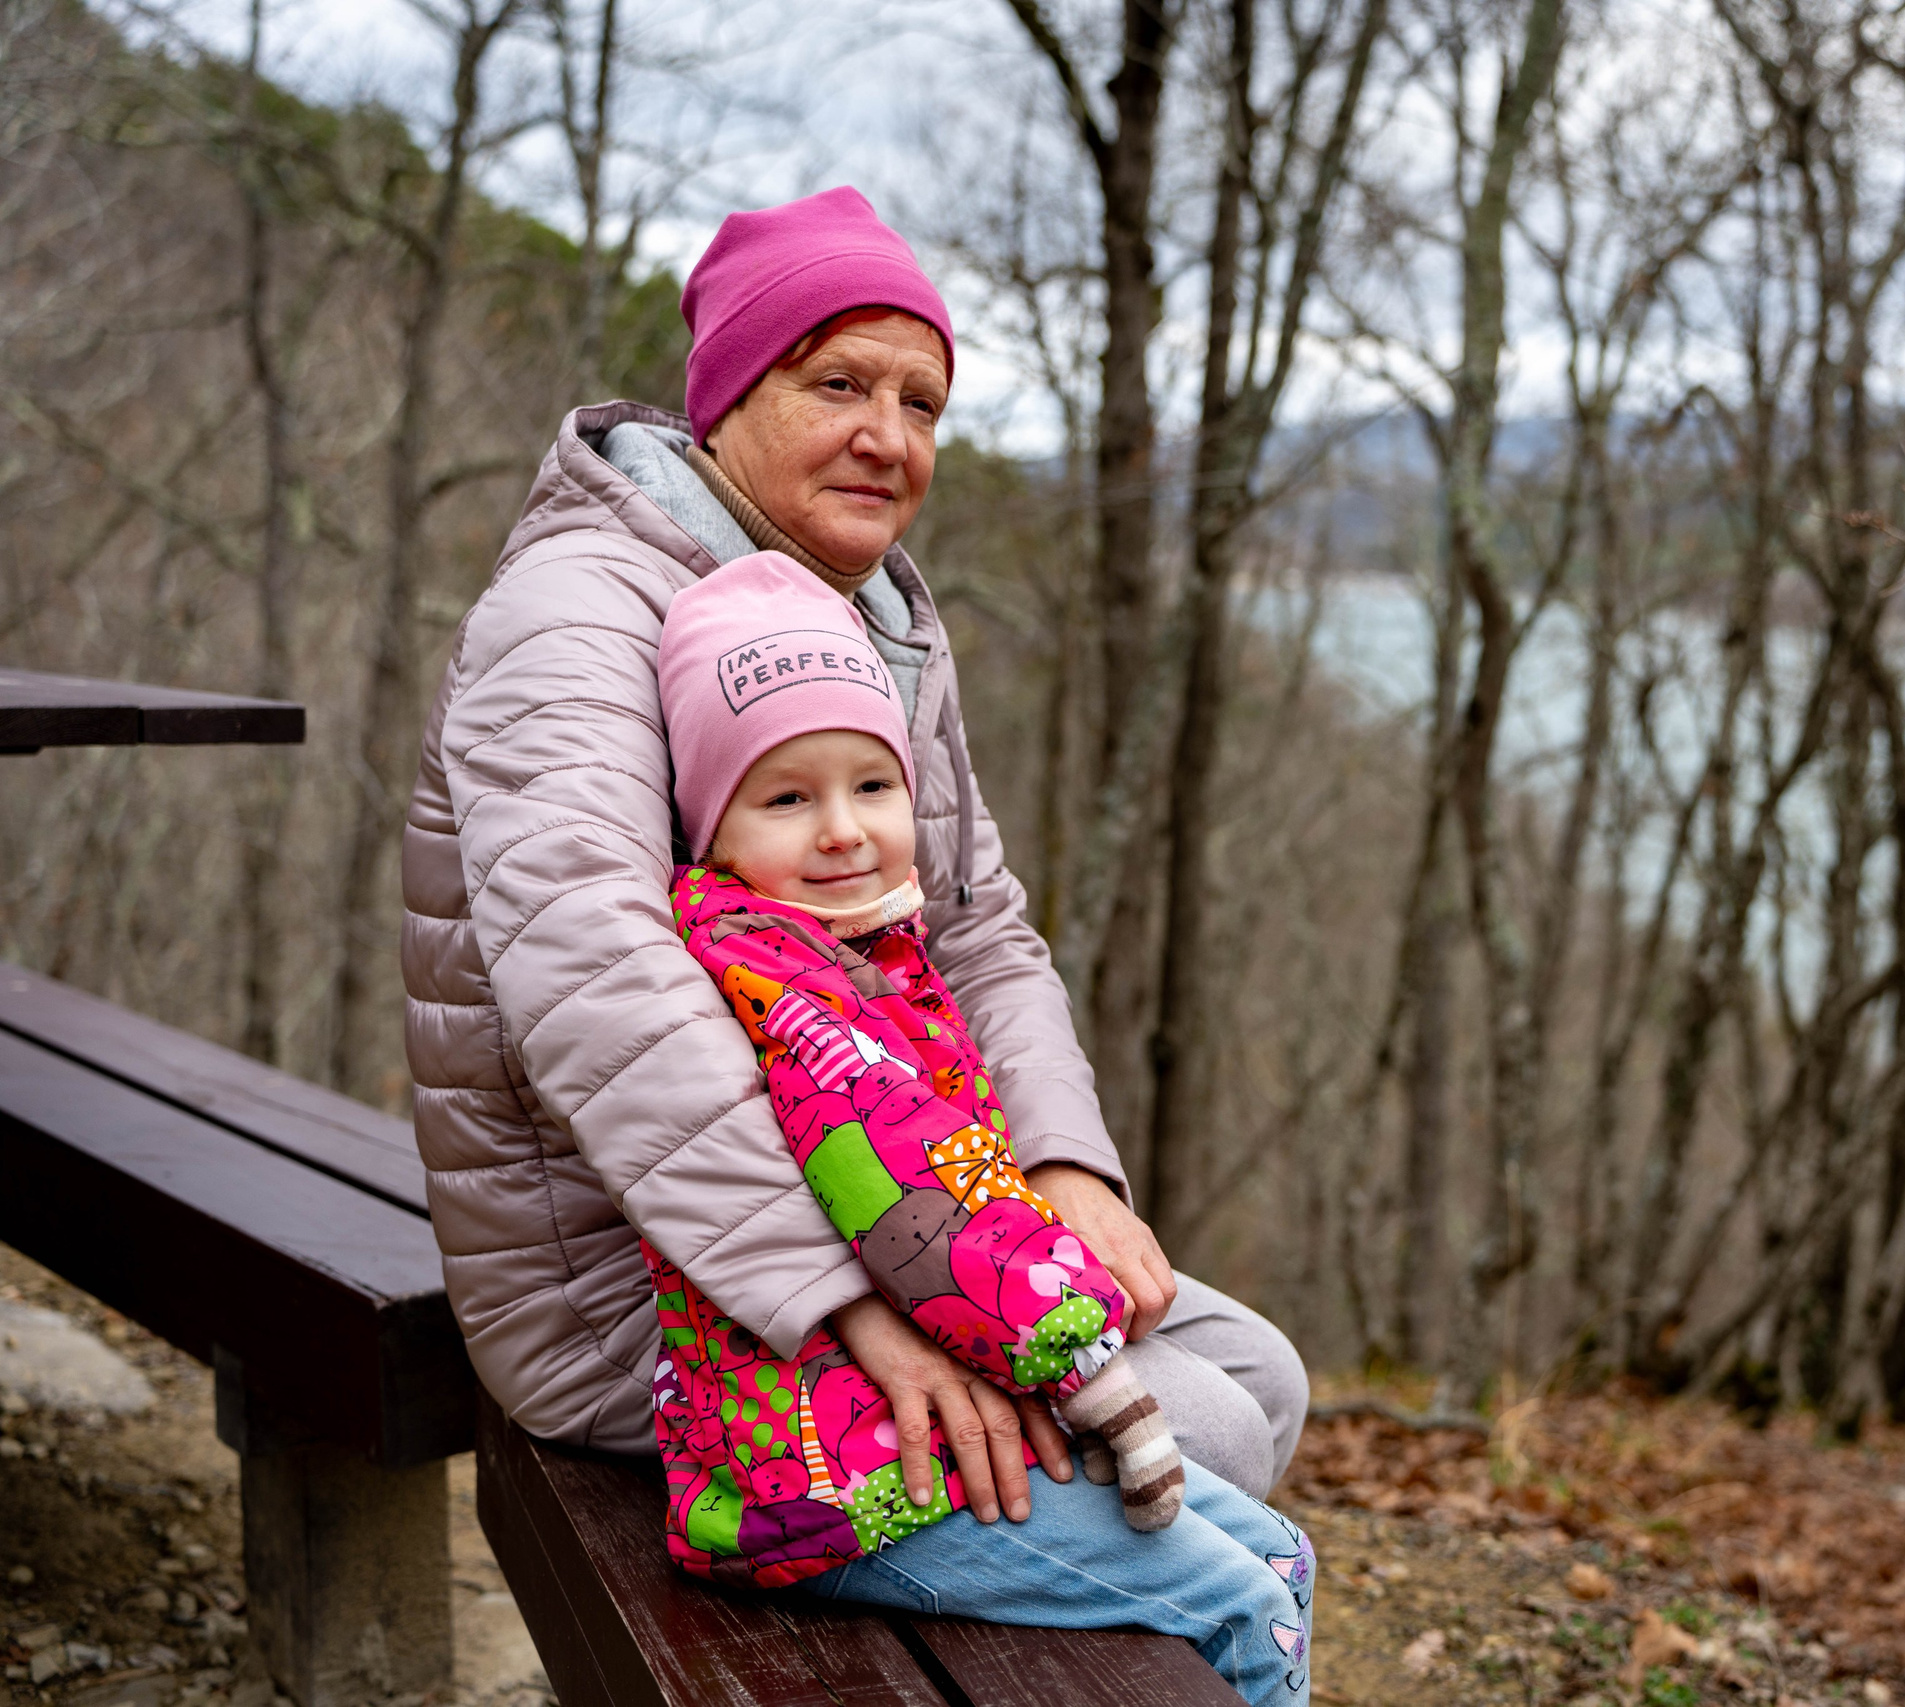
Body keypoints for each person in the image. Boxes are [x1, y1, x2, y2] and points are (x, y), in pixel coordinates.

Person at [402, 184, 1305, 1549]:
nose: (888, 438)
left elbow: (980, 930)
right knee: (1209, 1435)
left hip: (892, 1195)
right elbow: (598, 976)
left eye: (923, 403)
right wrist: (842, 1299)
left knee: (1257, 1371)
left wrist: (1066, 1168)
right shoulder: (574, 610)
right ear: (726, 400)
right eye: (840, 384)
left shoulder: (864, 617)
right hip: (650, 1288)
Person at [651, 550, 1184, 1542]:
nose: (844, 831)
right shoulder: (790, 982)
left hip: (870, 1413)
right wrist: (1087, 1366)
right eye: (786, 800)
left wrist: (1065, 1169)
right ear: (712, 833)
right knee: (1247, 1585)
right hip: (837, 1480)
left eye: (871, 785)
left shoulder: (871, 945)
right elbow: (911, 1188)